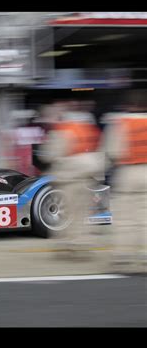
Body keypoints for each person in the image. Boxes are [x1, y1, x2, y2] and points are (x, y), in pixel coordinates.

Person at [39, 99, 103, 258]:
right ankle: (82, 244)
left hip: (68, 178)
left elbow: (49, 154)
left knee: (65, 213)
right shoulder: (89, 129)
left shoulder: (63, 129)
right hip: (87, 177)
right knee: (82, 213)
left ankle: (65, 246)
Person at [102, 89, 147, 273]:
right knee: (145, 218)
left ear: (129, 106)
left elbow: (113, 152)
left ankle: (123, 257)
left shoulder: (121, 123)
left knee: (125, 218)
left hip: (127, 173)